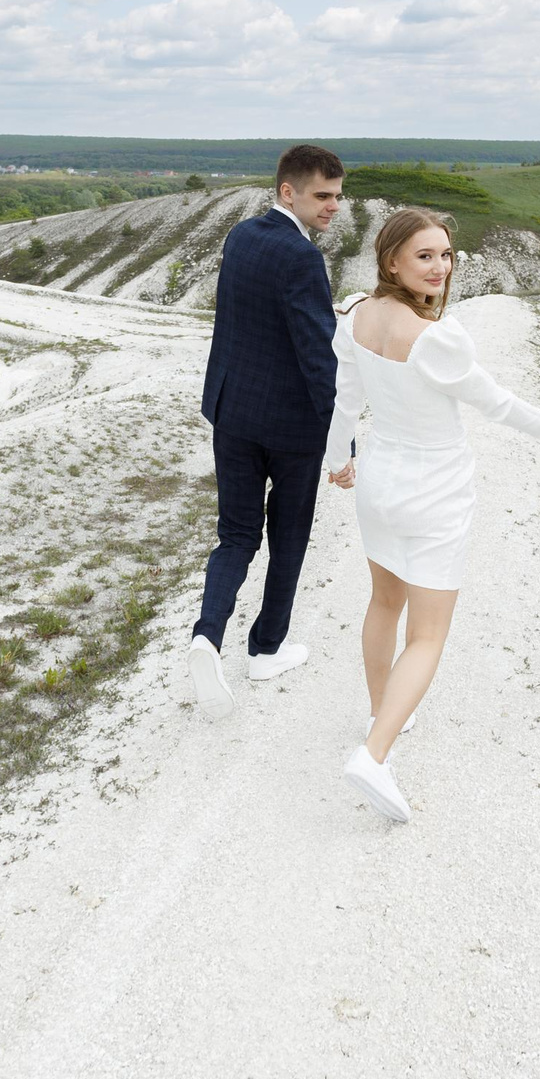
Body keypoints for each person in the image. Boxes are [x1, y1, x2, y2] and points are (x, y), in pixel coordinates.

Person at [324, 207, 540, 822]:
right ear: (391, 260)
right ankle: (374, 753)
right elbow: (496, 404)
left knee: (383, 602)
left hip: (380, 482)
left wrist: (338, 459)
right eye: (425, 255)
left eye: (446, 254)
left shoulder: (355, 315)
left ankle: (381, 709)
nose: (440, 266)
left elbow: (344, 400)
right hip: (434, 490)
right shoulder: (437, 338)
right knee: (428, 633)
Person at [186, 144, 346, 719]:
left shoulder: (241, 237)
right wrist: (340, 438)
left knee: (235, 534)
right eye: (322, 196)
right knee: (290, 535)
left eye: (337, 196)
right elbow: (317, 355)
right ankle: (265, 649)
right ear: (288, 192)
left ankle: (207, 636)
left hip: (232, 412)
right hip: (291, 426)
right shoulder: (301, 259)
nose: (334, 207)